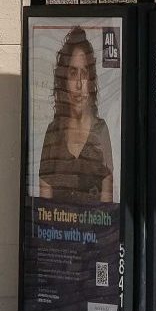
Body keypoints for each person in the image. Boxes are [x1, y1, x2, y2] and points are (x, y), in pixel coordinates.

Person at [36, 27, 115, 203]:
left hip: (94, 230)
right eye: (73, 73)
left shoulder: (100, 130)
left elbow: (108, 209)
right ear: (64, 80)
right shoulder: (53, 133)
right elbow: (44, 209)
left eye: (84, 73)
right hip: (58, 230)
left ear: (91, 79)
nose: (79, 84)